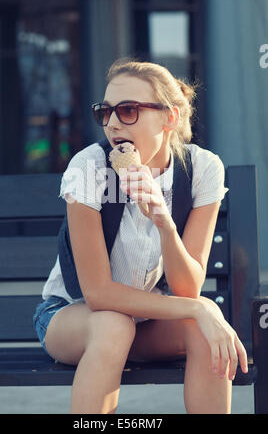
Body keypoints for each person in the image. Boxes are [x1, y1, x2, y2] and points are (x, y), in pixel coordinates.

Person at [33, 58, 248, 414]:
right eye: (106, 112)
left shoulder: (201, 170)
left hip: (147, 322)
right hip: (72, 317)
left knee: (204, 330)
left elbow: (186, 288)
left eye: (129, 110)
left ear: (169, 118)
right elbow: (98, 293)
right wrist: (200, 307)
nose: (113, 123)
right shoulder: (89, 168)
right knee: (117, 324)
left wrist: (164, 221)